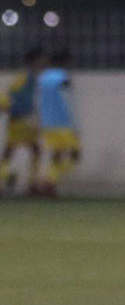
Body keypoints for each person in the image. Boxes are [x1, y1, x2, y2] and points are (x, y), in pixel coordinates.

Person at [0, 48, 46, 195]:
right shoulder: (27, 76)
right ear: (33, 60)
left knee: (11, 150)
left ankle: (8, 177)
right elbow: (13, 94)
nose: (43, 62)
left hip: (19, 118)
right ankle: (31, 184)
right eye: (41, 59)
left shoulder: (28, 76)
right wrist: (15, 109)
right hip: (22, 119)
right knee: (34, 150)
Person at [37, 50, 80, 196]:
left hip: (47, 123)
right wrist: (75, 124)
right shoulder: (63, 76)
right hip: (63, 122)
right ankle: (49, 182)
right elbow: (68, 99)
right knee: (75, 154)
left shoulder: (43, 77)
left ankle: (50, 183)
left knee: (57, 155)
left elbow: (39, 98)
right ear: (64, 62)